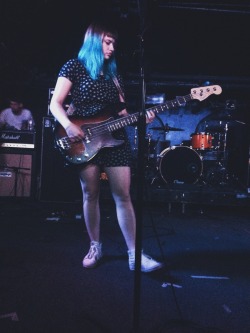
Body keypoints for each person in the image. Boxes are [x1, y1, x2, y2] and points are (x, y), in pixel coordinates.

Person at [50, 20, 163, 272]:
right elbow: (55, 103)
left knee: (123, 196)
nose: (112, 47)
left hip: (115, 139)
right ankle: (95, 245)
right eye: (107, 42)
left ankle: (135, 254)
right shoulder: (74, 67)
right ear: (94, 41)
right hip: (84, 139)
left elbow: (122, 111)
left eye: (114, 43)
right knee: (90, 194)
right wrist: (68, 125)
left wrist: (141, 117)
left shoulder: (113, 74)